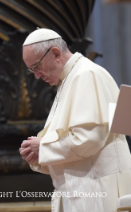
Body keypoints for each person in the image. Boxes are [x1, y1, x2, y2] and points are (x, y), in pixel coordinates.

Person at [19, 28, 131, 212]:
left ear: (55, 53)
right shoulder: (69, 80)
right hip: (80, 189)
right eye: (32, 70)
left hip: (98, 189)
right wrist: (39, 153)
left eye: (37, 67)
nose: (37, 76)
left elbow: (88, 140)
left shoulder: (86, 75)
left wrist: (44, 147)